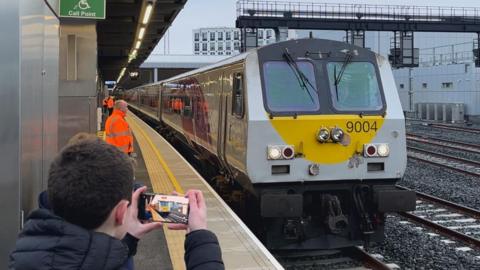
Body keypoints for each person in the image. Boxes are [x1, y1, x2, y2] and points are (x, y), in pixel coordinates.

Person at [9, 139, 224, 270]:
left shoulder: (23, 257)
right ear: (122, 212)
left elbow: (87, 258)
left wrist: (128, 239)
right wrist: (199, 235)